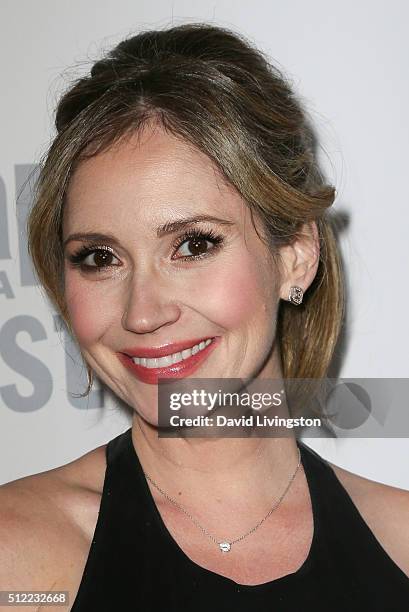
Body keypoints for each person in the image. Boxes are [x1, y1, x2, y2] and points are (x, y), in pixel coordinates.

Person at [1, 23, 408, 611]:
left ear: (295, 255)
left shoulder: (401, 547)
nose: (143, 313)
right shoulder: (20, 558)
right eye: (100, 258)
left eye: (192, 245)